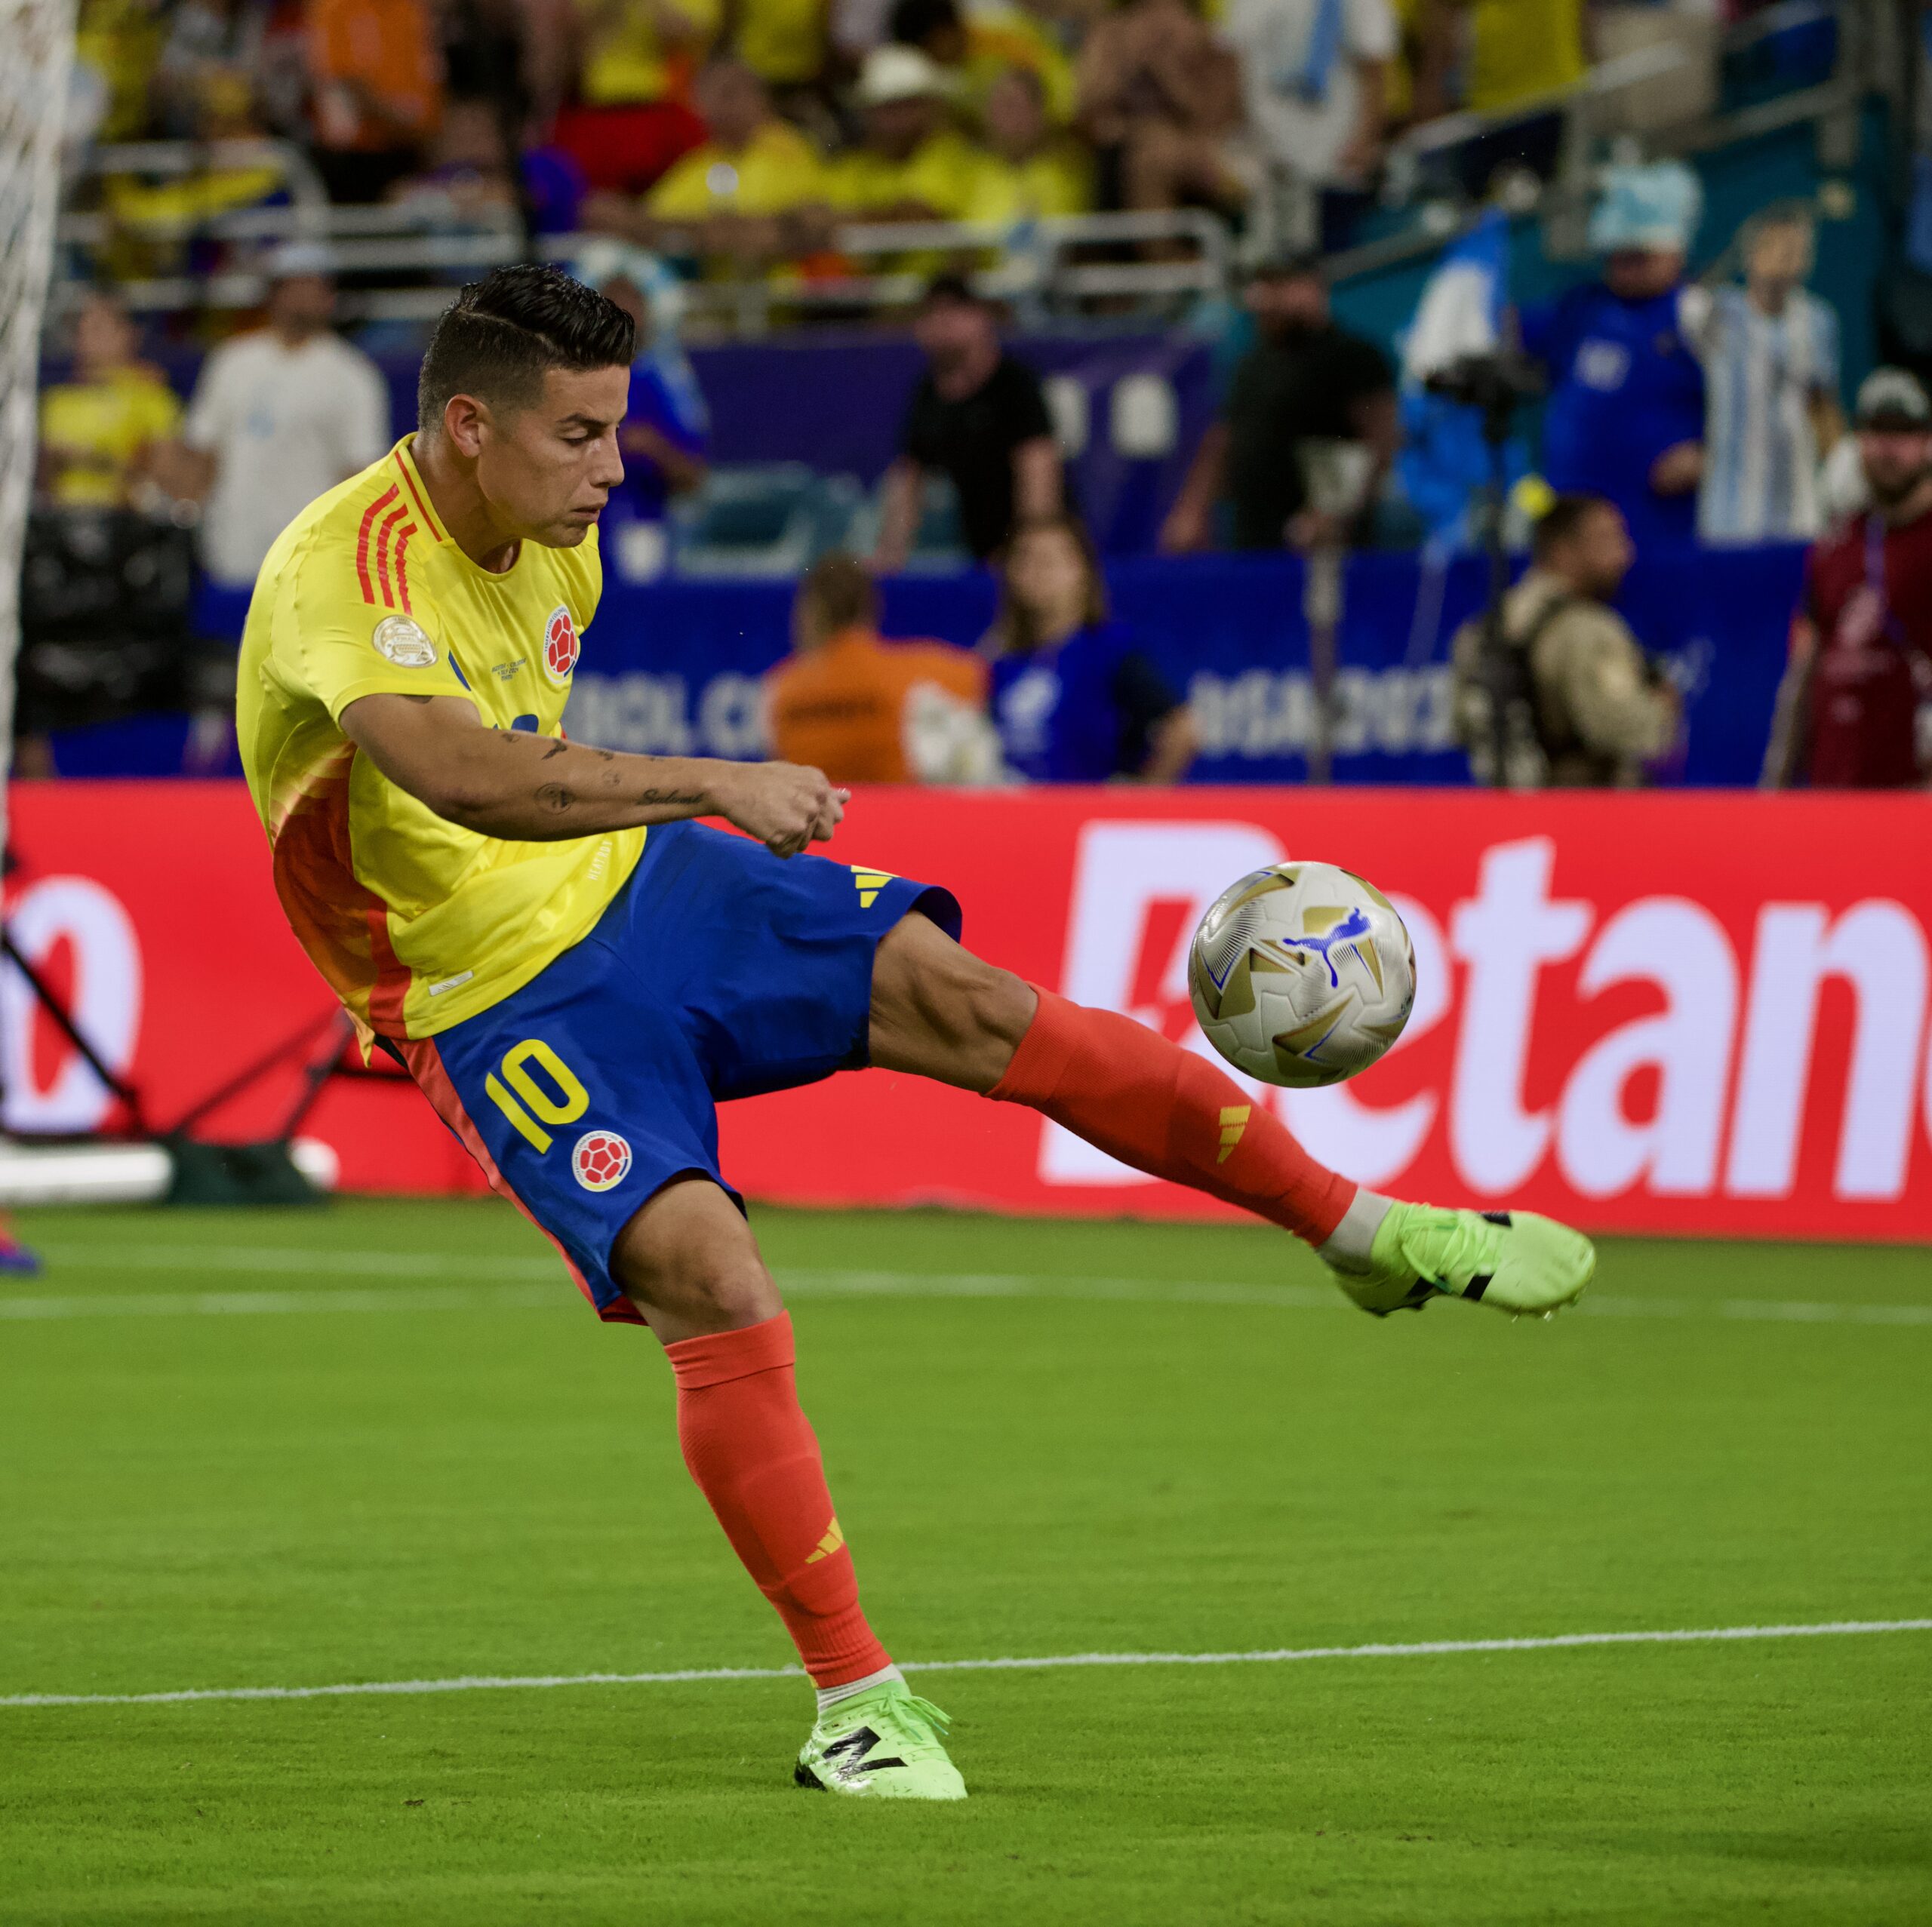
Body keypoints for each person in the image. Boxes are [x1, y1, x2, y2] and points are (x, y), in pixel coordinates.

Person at [234, 263, 1594, 1804]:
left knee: (971, 995)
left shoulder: (558, 535)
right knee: (707, 1268)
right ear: (467, 426)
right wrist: (708, 777)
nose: (613, 469)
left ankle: (1350, 1224)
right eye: (579, 435)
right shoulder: (342, 569)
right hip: (478, 990)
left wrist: (672, 817)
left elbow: (528, 765)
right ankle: (858, 1703)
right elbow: (463, 776)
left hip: (630, 885)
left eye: (616, 430)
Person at [179, 244, 392, 589]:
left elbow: (358, 476)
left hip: (308, 564)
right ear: (272, 295)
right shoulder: (231, 362)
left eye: (312, 288)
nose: (301, 299)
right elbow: (203, 453)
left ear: (330, 297)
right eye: (291, 287)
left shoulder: (353, 377)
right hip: (232, 552)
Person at [1519, 162, 1706, 553]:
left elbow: (1760, 410)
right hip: (1569, 542)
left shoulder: (1700, 317)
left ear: (1675, 250)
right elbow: (1502, 331)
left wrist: (1711, 457)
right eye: (1617, 256)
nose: (1624, 265)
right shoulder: (1582, 310)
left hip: (1660, 534)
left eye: (1639, 255)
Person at [1763, 369, 1932, 791]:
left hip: (1915, 791)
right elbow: (1804, 668)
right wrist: (1776, 781)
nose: (1888, 449)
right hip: (1837, 786)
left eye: (1903, 434)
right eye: (1875, 433)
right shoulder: (1836, 546)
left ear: (1927, 442)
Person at [1159, 254, 1397, 554]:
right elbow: (1225, 437)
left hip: (1325, 541)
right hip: (1254, 532)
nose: (1264, 299)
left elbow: (1380, 441)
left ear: (1312, 289)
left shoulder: (1354, 357)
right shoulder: (1252, 363)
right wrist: (1192, 508)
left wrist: (1332, 513)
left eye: (1278, 286)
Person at [1450, 493, 1678, 788]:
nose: (1625, 555)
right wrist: (1662, 708)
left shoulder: (1482, 630)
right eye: (1607, 540)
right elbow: (1629, 732)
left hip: (1502, 816)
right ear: (1562, 551)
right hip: (1583, 818)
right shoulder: (1588, 630)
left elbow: (1461, 727)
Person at [872, 275, 1063, 568]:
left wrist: (1029, 550)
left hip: (1024, 554)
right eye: (930, 314)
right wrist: (890, 554)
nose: (941, 323)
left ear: (980, 318)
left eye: (953, 311)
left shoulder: (1014, 384)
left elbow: (1038, 470)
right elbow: (908, 477)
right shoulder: (927, 394)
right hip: (978, 554)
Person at [989, 515, 1198, 781]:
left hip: (1084, 814)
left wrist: (1144, 798)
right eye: (1026, 559)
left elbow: (1182, 729)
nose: (1038, 571)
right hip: (1014, 815)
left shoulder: (1110, 650)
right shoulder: (1003, 662)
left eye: (1051, 560)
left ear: (1083, 571)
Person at [1683, 205, 1843, 546]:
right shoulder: (1720, 311)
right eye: (1774, 245)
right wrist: (1735, 257)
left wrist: (1839, 476)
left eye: (1796, 249)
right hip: (1731, 509)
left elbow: (1823, 405)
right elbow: (1686, 299)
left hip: (1799, 507)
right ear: (1751, 252)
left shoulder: (1817, 320)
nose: (1786, 256)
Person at [764, 553, 999, 782]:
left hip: (814, 817)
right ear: (869, 608)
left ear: (812, 613)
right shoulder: (914, 672)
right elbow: (980, 677)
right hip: (893, 816)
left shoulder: (780, 688)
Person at [598, 59, 827, 274]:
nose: (729, 105)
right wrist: (702, 229)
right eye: (718, 95)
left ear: (761, 99)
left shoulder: (789, 148)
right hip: (713, 303)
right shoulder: (698, 164)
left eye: (736, 93)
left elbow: (814, 212)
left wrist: (761, 229)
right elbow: (655, 216)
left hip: (783, 302)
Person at [1221, 0, 1396, 254]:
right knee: (1270, 267)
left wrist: (1364, 143)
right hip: (1268, 166)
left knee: (1331, 270)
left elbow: (1375, 70)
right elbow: (1230, 68)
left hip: (1334, 165)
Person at [1074, 0, 1243, 216]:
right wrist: (1126, 63)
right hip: (1118, 151)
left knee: (1155, 156)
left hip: (1193, 150)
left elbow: (1215, 118)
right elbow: (1085, 110)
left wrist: (1167, 70)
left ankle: (1166, 248)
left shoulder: (1208, 36)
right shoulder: (1109, 34)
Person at [35, 290, 183, 511]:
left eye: (100, 329)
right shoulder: (56, 401)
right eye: (81, 330)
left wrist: (99, 460)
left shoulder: (153, 398)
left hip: (126, 523)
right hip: (61, 522)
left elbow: (170, 473)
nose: (88, 340)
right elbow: (39, 479)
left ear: (130, 334)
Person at [820, 45, 987, 223]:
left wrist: (841, 220)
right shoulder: (853, 166)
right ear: (868, 113)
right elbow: (818, 213)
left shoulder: (952, 155)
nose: (901, 117)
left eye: (910, 105)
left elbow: (920, 216)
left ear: (933, 108)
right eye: (889, 107)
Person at [306, 0, 444, 203]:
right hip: (357, 157)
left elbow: (429, 74)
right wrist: (406, 124)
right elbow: (346, 78)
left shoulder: (412, 8)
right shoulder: (337, 7)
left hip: (412, 148)